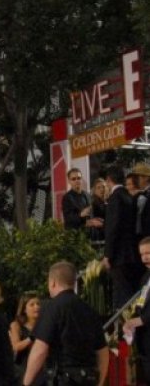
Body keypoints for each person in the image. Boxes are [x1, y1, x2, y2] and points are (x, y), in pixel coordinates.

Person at [23, 261, 108, 386]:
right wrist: (99, 382)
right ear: (73, 282)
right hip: (88, 378)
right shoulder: (90, 310)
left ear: (53, 283)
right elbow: (102, 351)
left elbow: (40, 349)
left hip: (63, 378)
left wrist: (26, 382)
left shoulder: (51, 308)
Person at [104, 165, 144, 309]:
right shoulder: (128, 196)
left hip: (119, 256)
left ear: (109, 180)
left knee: (121, 296)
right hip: (131, 254)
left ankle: (123, 323)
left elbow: (113, 228)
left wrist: (107, 255)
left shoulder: (115, 198)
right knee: (129, 293)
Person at [123, 237, 150, 381]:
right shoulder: (145, 278)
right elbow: (141, 303)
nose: (145, 258)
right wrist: (131, 320)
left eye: (148, 253)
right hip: (145, 343)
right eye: (142, 254)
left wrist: (140, 320)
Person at [9, 292, 44, 385]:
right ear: (24, 309)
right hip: (23, 369)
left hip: (42, 370)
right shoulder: (16, 325)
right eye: (32, 305)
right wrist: (31, 337)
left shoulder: (44, 324)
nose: (36, 307)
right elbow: (16, 346)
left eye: (38, 304)